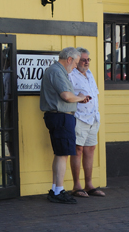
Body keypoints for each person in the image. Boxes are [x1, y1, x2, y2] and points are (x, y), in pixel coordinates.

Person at [40, 47, 92, 204]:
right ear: (69, 59)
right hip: (61, 117)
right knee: (62, 154)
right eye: (76, 62)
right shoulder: (57, 71)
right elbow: (66, 96)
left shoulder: (57, 71)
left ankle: (56, 189)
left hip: (59, 117)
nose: (76, 66)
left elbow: (68, 96)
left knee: (59, 154)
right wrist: (80, 97)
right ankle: (59, 191)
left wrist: (77, 99)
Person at [68, 47, 104, 197]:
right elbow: (68, 94)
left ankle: (89, 184)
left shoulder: (89, 74)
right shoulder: (71, 75)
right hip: (79, 117)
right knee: (78, 150)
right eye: (83, 59)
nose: (86, 62)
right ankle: (77, 186)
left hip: (93, 118)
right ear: (76, 61)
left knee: (90, 150)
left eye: (88, 59)